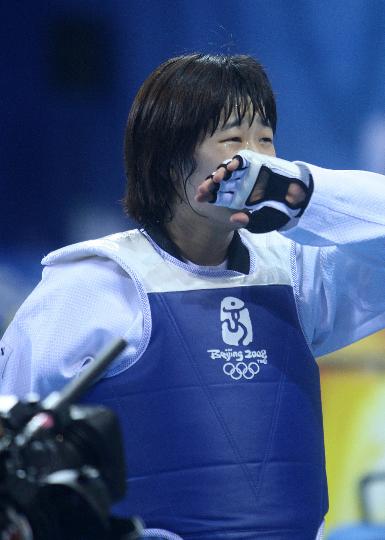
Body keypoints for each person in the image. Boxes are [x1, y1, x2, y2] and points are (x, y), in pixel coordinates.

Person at [1, 53, 385, 540]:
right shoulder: (94, 285)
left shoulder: (294, 273)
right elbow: (10, 441)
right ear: (167, 162)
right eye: (232, 141)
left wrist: (303, 196)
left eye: (265, 139)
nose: (254, 159)